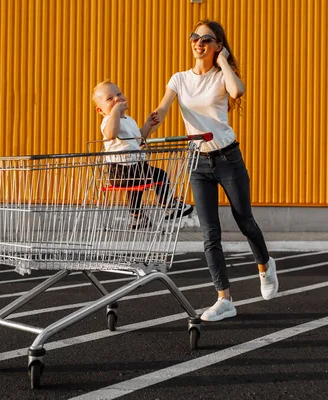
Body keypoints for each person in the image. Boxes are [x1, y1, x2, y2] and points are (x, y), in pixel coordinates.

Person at [151, 20, 278, 321]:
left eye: (207, 39)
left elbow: (239, 90)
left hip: (228, 159)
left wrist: (223, 61)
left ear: (218, 46)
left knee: (244, 219)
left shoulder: (222, 77)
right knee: (210, 234)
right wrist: (138, 134)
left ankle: (264, 265)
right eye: (195, 37)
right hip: (198, 163)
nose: (199, 42)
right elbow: (162, 111)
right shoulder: (179, 79)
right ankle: (224, 298)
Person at [92, 80, 193, 229]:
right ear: (100, 111)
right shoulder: (108, 120)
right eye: (110, 99)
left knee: (138, 186)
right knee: (159, 175)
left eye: (119, 94)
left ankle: (138, 217)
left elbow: (139, 139)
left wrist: (148, 124)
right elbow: (111, 134)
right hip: (120, 170)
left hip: (134, 166)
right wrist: (114, 112)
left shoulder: (129, 120)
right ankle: (170, 204)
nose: (117, 99)